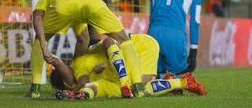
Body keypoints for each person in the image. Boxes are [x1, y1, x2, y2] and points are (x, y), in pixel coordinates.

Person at [28, 0, 146, 99]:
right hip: (92, 0)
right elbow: (83, 40)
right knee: (124, 40)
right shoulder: (80, 60)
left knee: (39, 39)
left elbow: (37, 17)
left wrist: (44, 48)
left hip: (64, 5)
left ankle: (35, 89)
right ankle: (137, 86)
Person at [49, 34, 206, 100]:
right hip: (115, 73)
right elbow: (90, 87)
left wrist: (72, 91)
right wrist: (76, 95)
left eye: (68, 84)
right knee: (138, 92)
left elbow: (82, 80)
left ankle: (181, 81)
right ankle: (179, 82)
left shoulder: (79, 64)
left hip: (141, 46)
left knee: (141, 85)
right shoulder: (87, 72)